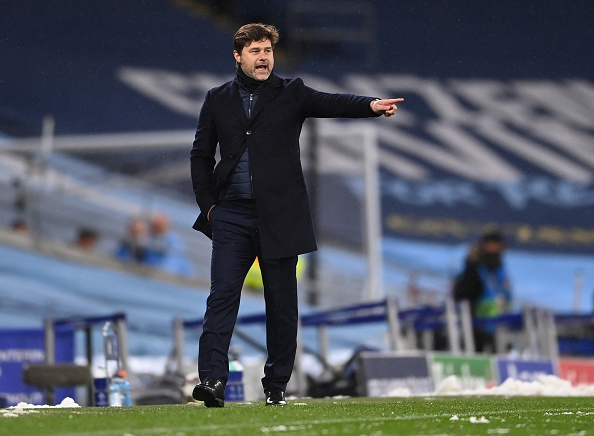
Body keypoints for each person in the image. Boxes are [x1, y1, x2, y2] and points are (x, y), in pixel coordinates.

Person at [190, 23, 403, 407]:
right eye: (255, 51)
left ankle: (276, 386)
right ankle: (213, 380)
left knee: (282, 306)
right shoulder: (217, 98)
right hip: (231, 217)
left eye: (268, 50)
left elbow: (332, 102)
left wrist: (370, 105)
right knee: (221, 298)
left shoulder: (292, 92)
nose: (263, 57)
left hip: (280, 218)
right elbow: (201, 155)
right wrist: (210, 208)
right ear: (238, 56)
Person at [453, 228, 513, 353]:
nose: (498, 248)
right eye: (494, 244)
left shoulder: (499, 268)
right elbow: (464, 295)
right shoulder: (474, 267)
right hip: (478, 326)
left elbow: (506, 295)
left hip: (498, 326)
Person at [145, 212, 193, 277]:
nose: (155, 229)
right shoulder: (148, 240)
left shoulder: (174, 242)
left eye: (159, 227)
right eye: (155, 226)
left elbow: (171, 267)